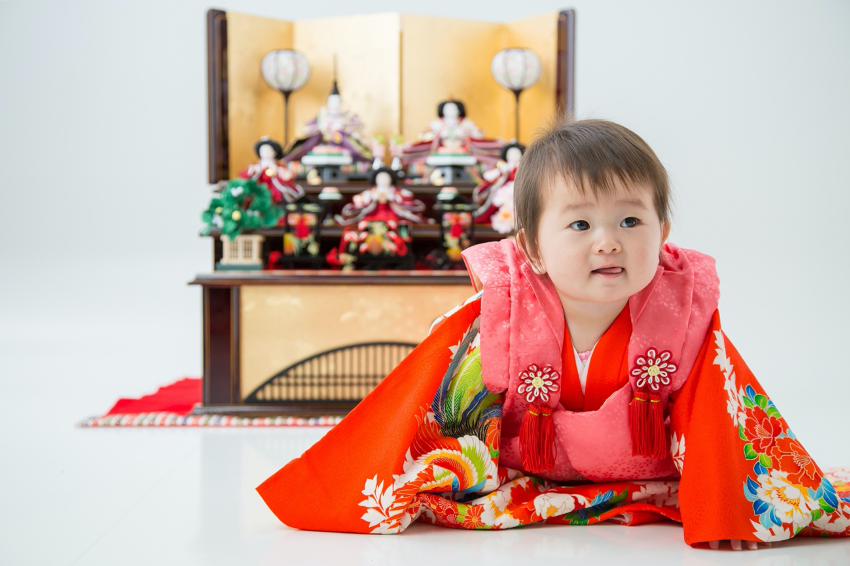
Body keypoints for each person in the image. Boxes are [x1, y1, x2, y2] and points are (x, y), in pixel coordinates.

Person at [257, 118, 850, 548]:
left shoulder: (684, 311)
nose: (608, 240)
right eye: (581, 223)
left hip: (648, 477)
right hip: (527, 471)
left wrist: (729, 512)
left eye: (630, 219)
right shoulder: (500, 308)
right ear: (532, 246)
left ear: (663, 229)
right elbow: (422, 397)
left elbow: (723, 412)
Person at [239, 137, 305, 205]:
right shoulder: (256, 166)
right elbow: (246, 176)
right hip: (259, 191)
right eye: (263, 151)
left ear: (274, 152)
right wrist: (255, 172)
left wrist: (278, 172)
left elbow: (287, 176)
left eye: (268, 150)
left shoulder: (279, 166)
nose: (265, 153)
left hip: (274, 193)